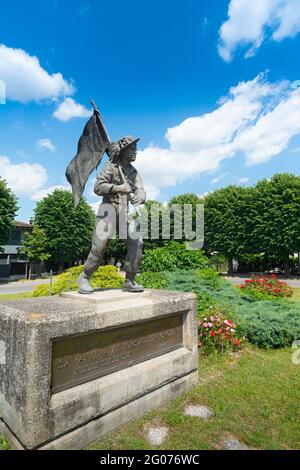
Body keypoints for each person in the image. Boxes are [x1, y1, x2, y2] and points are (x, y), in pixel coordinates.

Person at [78, 135, 146, 294]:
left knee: (137, 243)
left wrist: (139, 197)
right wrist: (118, 188)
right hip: (107, 211)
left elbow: (140, 189)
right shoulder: (111, 166)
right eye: (132, 149)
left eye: (135, 149)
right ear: (123, 151)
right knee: (99, 247)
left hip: (124, 213)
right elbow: (98, 187)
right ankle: (85, 276)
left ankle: (129, 280)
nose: (135, 152)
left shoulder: (133, 172)